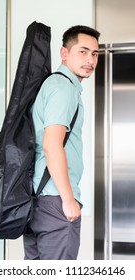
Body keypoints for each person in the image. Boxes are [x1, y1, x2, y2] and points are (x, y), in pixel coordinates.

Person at [23, 25, 100, 260]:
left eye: (95, 54)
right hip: (55, 199)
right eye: (83, 51)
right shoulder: (63, 88)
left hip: (38, 198)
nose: (90, 60)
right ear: (64, 53)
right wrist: (68, 199)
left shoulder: (53, 84)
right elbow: (51, 144)